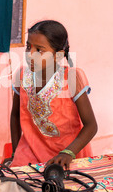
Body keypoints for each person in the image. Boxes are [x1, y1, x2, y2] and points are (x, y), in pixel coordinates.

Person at [9, 20, 97, 169]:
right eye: (28, 47)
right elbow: (15, 115)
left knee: (68, 189)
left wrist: (69, 152)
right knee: (16, 184)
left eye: (39, 50)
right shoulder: (22, 75)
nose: (30, 55)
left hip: (68, 153)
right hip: (29, 150)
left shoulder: (71, 78)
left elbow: (91, 126)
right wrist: (15, 153)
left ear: (58, 55)